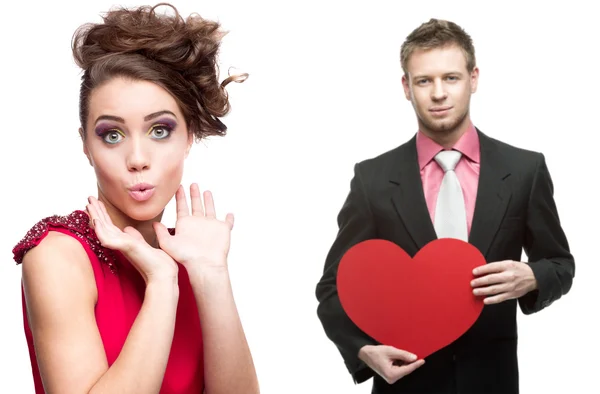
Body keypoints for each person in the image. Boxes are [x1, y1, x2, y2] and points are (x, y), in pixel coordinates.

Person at [315, 18, 575, 394]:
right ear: (406, 87)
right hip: (404, 386)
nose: (438, 93)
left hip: (493, 383)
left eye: (451, 78)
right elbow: (332, 288)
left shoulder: (524, 170)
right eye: (424, 80)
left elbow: (560, 264)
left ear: (474, 78)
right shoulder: (372, 179)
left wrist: (533, 277)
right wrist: (361, 351)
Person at [11, 3, 259, 394]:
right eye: (112, 135)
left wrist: (212, 276)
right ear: (85, 146)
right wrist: (161, 282)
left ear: (189, 136)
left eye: (160, 130)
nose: (138, 160)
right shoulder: (58, 256)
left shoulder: (192, 252)